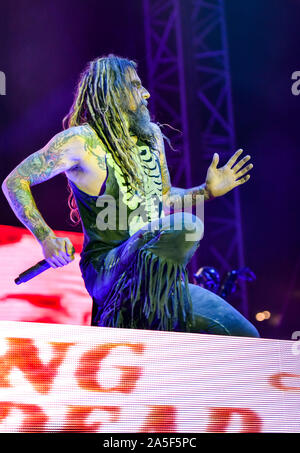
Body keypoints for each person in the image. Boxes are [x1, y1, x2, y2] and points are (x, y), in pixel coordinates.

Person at [2, 54, 259, 337]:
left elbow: (162, 198)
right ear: (113, 90)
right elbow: (15, 181)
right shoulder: (80, 141)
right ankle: (123, 307)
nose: (146, 93)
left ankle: (157, 305)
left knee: (246, 335)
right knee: (188, 226)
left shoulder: (152, 138)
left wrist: (206, 191)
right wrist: (46, 238)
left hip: (157, 278)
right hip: (108, 269)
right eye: (136, 86)